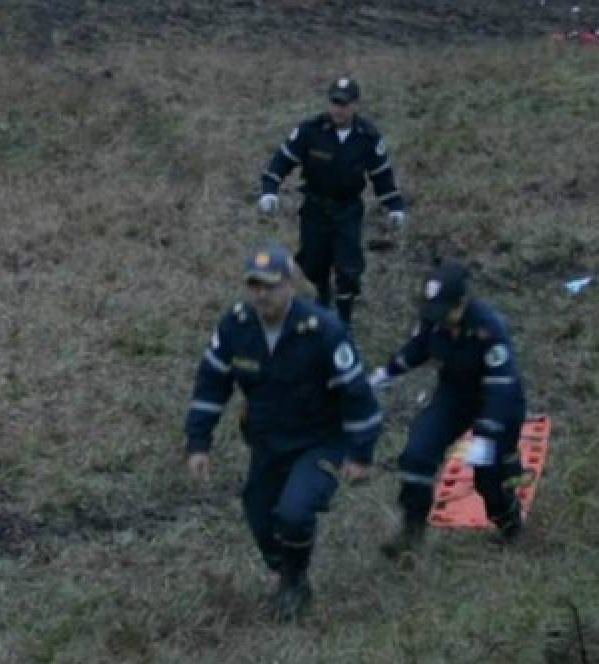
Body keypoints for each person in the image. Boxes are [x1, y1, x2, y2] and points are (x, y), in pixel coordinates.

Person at [185, 244, 382, 621]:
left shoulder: (323, 330)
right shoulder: (236, 326)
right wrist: (199, 444)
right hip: (267, 442)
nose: (262, 294)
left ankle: (294, 582)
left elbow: (356, 392)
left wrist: (361, 454)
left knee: (293, 512)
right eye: (254, 285)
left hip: (319, 441)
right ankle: (285, 571)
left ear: (290, 285)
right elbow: (211, 384)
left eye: (271, 286)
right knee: (259, 513)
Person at [370, 260, 527, 558]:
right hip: (454, 396)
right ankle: (411, 532)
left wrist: (487, 433)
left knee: (489, 476)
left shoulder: (488, 329)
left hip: (496, 401)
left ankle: (510, 525)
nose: (440, 321)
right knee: (418, 454)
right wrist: (388, 372)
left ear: (462, 303)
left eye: (446, 314)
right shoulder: (434, 319)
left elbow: (502, 388)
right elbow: (419, 347)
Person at [258, 77, 407, 326]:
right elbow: (282, 161)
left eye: (345, 104)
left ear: (356, 105)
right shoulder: (311, 131)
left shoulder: (367, 138)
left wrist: (395, 207)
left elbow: (382, 177)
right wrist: (269, 190)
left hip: (347, 210)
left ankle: (343, 321)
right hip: (315, 209)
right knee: (313, 264)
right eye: (335, 103)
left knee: (348, 268)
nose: (338, 109)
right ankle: (323, 293)